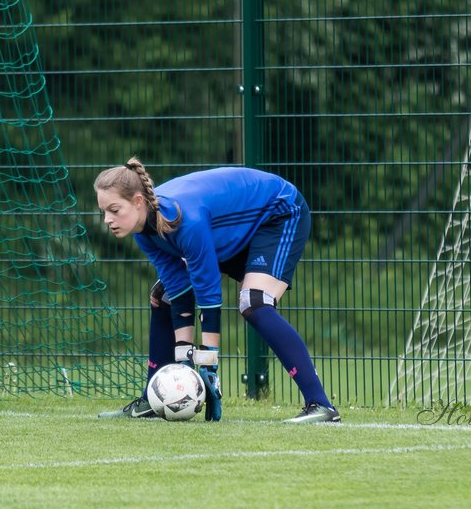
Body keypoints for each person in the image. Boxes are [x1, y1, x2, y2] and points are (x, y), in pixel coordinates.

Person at [94, 158, 340, 424]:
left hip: (278, 212)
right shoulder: (143, 230)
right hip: (231, 232)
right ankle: (154, 399)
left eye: (114, 210)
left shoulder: (186, 221)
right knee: (162, 296)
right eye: (103, 211)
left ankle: (321, 405)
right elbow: (179, 291)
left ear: (138, 201)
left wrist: (209, 368)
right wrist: (184, 363)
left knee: (254, 302)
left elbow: (209, 296)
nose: (108, 219)